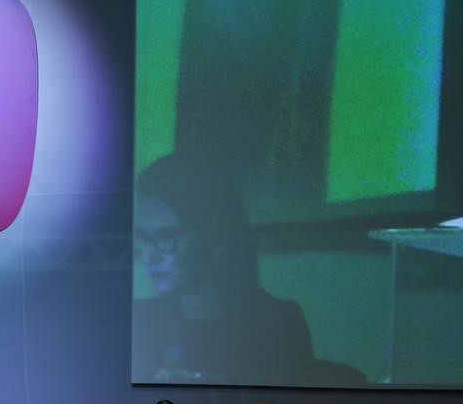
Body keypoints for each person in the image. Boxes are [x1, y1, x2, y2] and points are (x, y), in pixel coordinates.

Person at [132, 153, 365, 386]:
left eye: (166, 236)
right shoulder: (139, 322)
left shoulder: (276, 323)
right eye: (142, 238)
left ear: (215, 238)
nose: (148, 255)